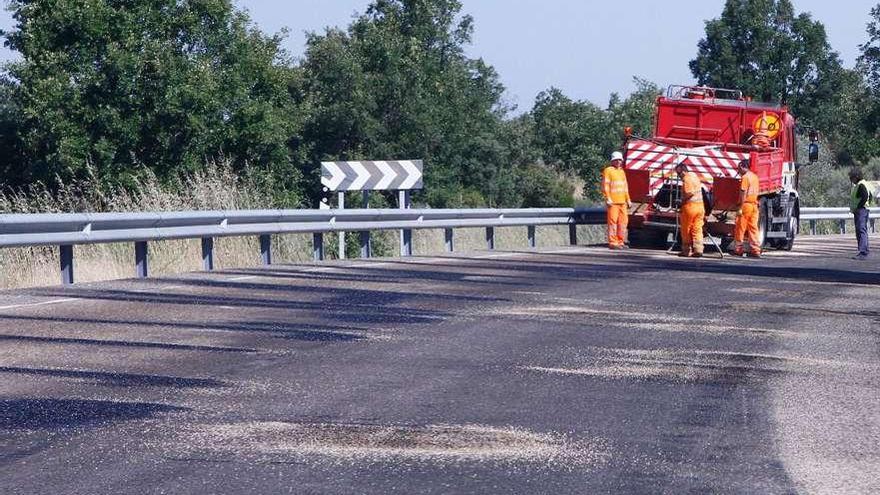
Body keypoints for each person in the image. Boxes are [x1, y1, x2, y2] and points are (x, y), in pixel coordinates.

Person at [675, 162, 705, 257]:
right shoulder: (694, 176)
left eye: (679, 173)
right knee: (697, 228)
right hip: (700, 207)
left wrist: (681, 201)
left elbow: (689, 193)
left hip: (690, 207)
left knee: (686, 229)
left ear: (683, 171)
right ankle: (698, 249)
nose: (679, 176)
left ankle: (686, 250)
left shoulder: (687, 179)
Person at [602, 151, 631, 250]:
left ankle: (620, 241)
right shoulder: (608, 171)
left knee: (623, 222)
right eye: (616, 160)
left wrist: (628, 199)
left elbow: (625, 187)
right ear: (612, 161)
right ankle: (613, 242)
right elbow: (605, 185)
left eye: (620, 159)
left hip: (622, 202)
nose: (618, 161)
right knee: (613, 222)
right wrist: (608, 198)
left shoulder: (622, 171)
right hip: (613, 202)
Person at [733, 159, 762, 258]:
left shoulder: (745, 178)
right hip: (754, 206)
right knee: (753, 228)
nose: (738, 172)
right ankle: (755, 250)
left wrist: (740, 207)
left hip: (746, 206)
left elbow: (743, 193)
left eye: (738, 169)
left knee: (740, 227)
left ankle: (738, 249)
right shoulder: (755, 177)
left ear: (741, 166)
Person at [849, 168, 872, 260]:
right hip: (862, 210)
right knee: (861, 230)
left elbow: (865, 196)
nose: (851, 179)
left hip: (861, 210)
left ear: (856, 177)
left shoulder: (861, 185)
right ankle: (863, 250)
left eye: (852, 177)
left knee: (861, 230)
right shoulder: (863, 183)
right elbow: (870, 197)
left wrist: (859, 206)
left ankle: (863, 252)